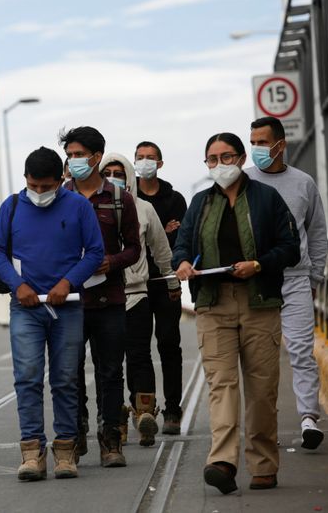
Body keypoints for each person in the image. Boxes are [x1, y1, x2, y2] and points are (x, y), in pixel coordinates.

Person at [173, 132, 299, 494]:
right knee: (221, 385)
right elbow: (183, 244)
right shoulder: (200, 203)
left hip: (259, 301)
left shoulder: (266, 198)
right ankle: (223, 462)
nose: (219, 165)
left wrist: (259, 264)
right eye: (211, 159)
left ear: (242, 158)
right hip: (213, 304)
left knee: (261, 388)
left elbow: (291, 247)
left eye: (226, 157)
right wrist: (183, 263)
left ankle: (263, 464)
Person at [0, 147, 104, 481]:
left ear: (61, 179)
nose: (39, 193)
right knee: (27, 378)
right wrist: (17, 285)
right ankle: (32, 451)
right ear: (25, 179)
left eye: (47, 187)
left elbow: (94, 251)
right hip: (26, 307)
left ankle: (66, 451)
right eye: (34, 186)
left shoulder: (78, 206)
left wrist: (69, 282)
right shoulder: (10, 207)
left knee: (66, 379)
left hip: (66, 307)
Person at [60, 126, 141, 468]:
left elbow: (135, 248)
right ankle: (75, 438)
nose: (74, 161)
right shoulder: (59, 197)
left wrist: (112, 261)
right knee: (70, 373)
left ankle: (111, 440)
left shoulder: (119, 199)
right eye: (70, 155)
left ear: (96, 156)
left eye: (80, 154)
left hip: (109, 299)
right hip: (70, 301)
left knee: (110, 372)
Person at [245, 116, 328, 449]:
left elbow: (317, 232)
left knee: (301, 350)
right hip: (256, 279)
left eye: (262, 142)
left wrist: (315, 277)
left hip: (295, 278)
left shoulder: (303, 183)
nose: (256, 149)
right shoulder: (244, 180)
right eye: (253, 142)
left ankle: (309, 417)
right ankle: (262, 421)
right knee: (257, 356)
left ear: (280, 144)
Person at [99, 153, 179, 447]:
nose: (112, 176)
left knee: (139, 356)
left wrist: (171, 281)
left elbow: (161, 250)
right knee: (108, 363)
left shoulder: (143, 209)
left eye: (118, 172)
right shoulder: (90, 208)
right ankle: (114, 418)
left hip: (136, 295)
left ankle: (144, 412)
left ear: (129, 175)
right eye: (106, 171)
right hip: (102, 298)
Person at [134, 141, 187, 434]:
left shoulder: (174, 198)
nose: (145, 162)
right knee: (138, 348)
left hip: (167, 282)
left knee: (169, 344)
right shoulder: (128, 197)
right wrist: (162, 231)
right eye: (140, 158)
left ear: (160, 163)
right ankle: (143, 407)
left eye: (150, 157)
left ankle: (173, 409)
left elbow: (179, 238)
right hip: (137, 284)